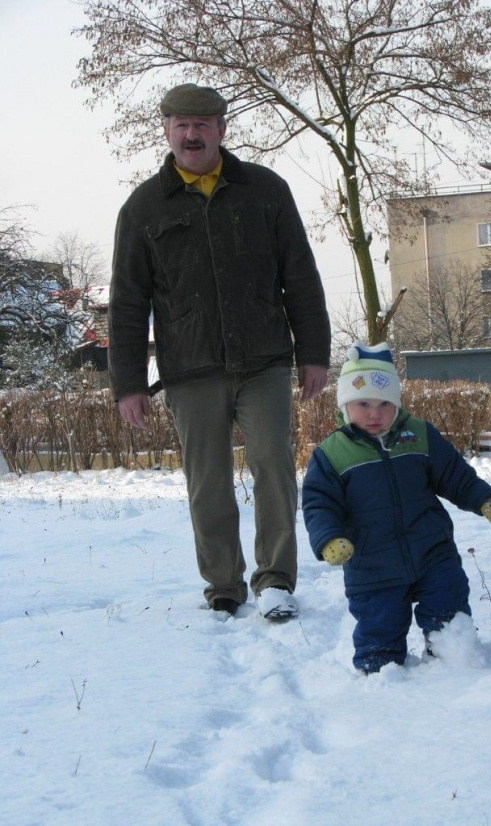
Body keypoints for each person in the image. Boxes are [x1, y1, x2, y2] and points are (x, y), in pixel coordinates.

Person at [109, 83, 331, 620]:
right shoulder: (142, 208)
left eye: (203, 124)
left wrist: (315, 352)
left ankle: (276, 579)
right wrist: (129, 383)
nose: (192, 134)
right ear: (166, 131)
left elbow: (300, 275)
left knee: (274, 468)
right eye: (181, 124)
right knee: (206, 482)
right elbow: (128, 300)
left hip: (264, 360)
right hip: (191, 369)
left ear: (222, 130)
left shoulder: (265, 191)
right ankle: (223, 584)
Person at [302, 342, 491, 672]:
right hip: (372, 561)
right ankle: (382, 673)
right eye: (363, 403)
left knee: (448, 602)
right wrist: (328, 539)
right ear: (344, 404)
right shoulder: (332, 454)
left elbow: (453, 474)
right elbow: (319, 504)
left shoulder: (420, 436)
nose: (374, 413)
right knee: (379, 624)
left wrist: (482, 498)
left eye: (385, 403)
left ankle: (454, 657)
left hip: (430, 549)